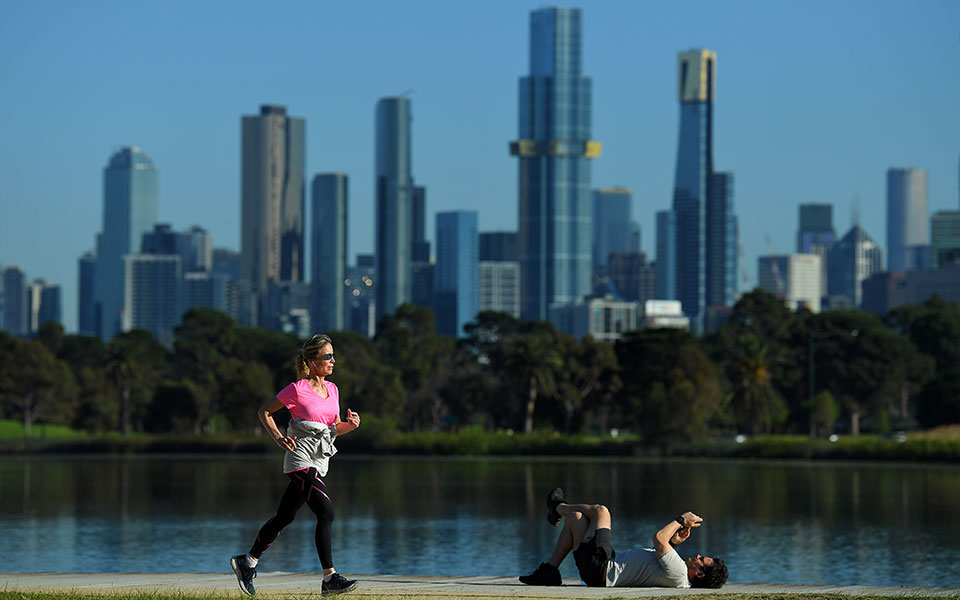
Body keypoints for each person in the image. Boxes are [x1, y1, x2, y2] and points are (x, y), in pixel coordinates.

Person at [230, 334, 361, 597]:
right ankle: (329, 578)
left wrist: (351, 425)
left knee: (285, 516)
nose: (333, 360)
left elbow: (331, 429)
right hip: (300, 458)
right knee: (326, 512)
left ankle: (247, 562)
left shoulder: (333, 389)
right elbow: (264, 411)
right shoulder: (297, 389)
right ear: (312, 361)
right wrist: (279, 437)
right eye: (327, 356)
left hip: (320, 458)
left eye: (333, 355)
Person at [519, 487, 728, 589]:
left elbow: (657, 538)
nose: (699, 555)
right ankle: (549, 571)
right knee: (577, 518)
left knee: (602, 511)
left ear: (699, 574)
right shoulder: (679, 574)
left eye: (703, 560)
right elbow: (656, 554)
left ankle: (557, 507)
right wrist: (673, 542)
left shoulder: (680, 572)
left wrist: (682, 520)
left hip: (601, 567)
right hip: (599, 568)